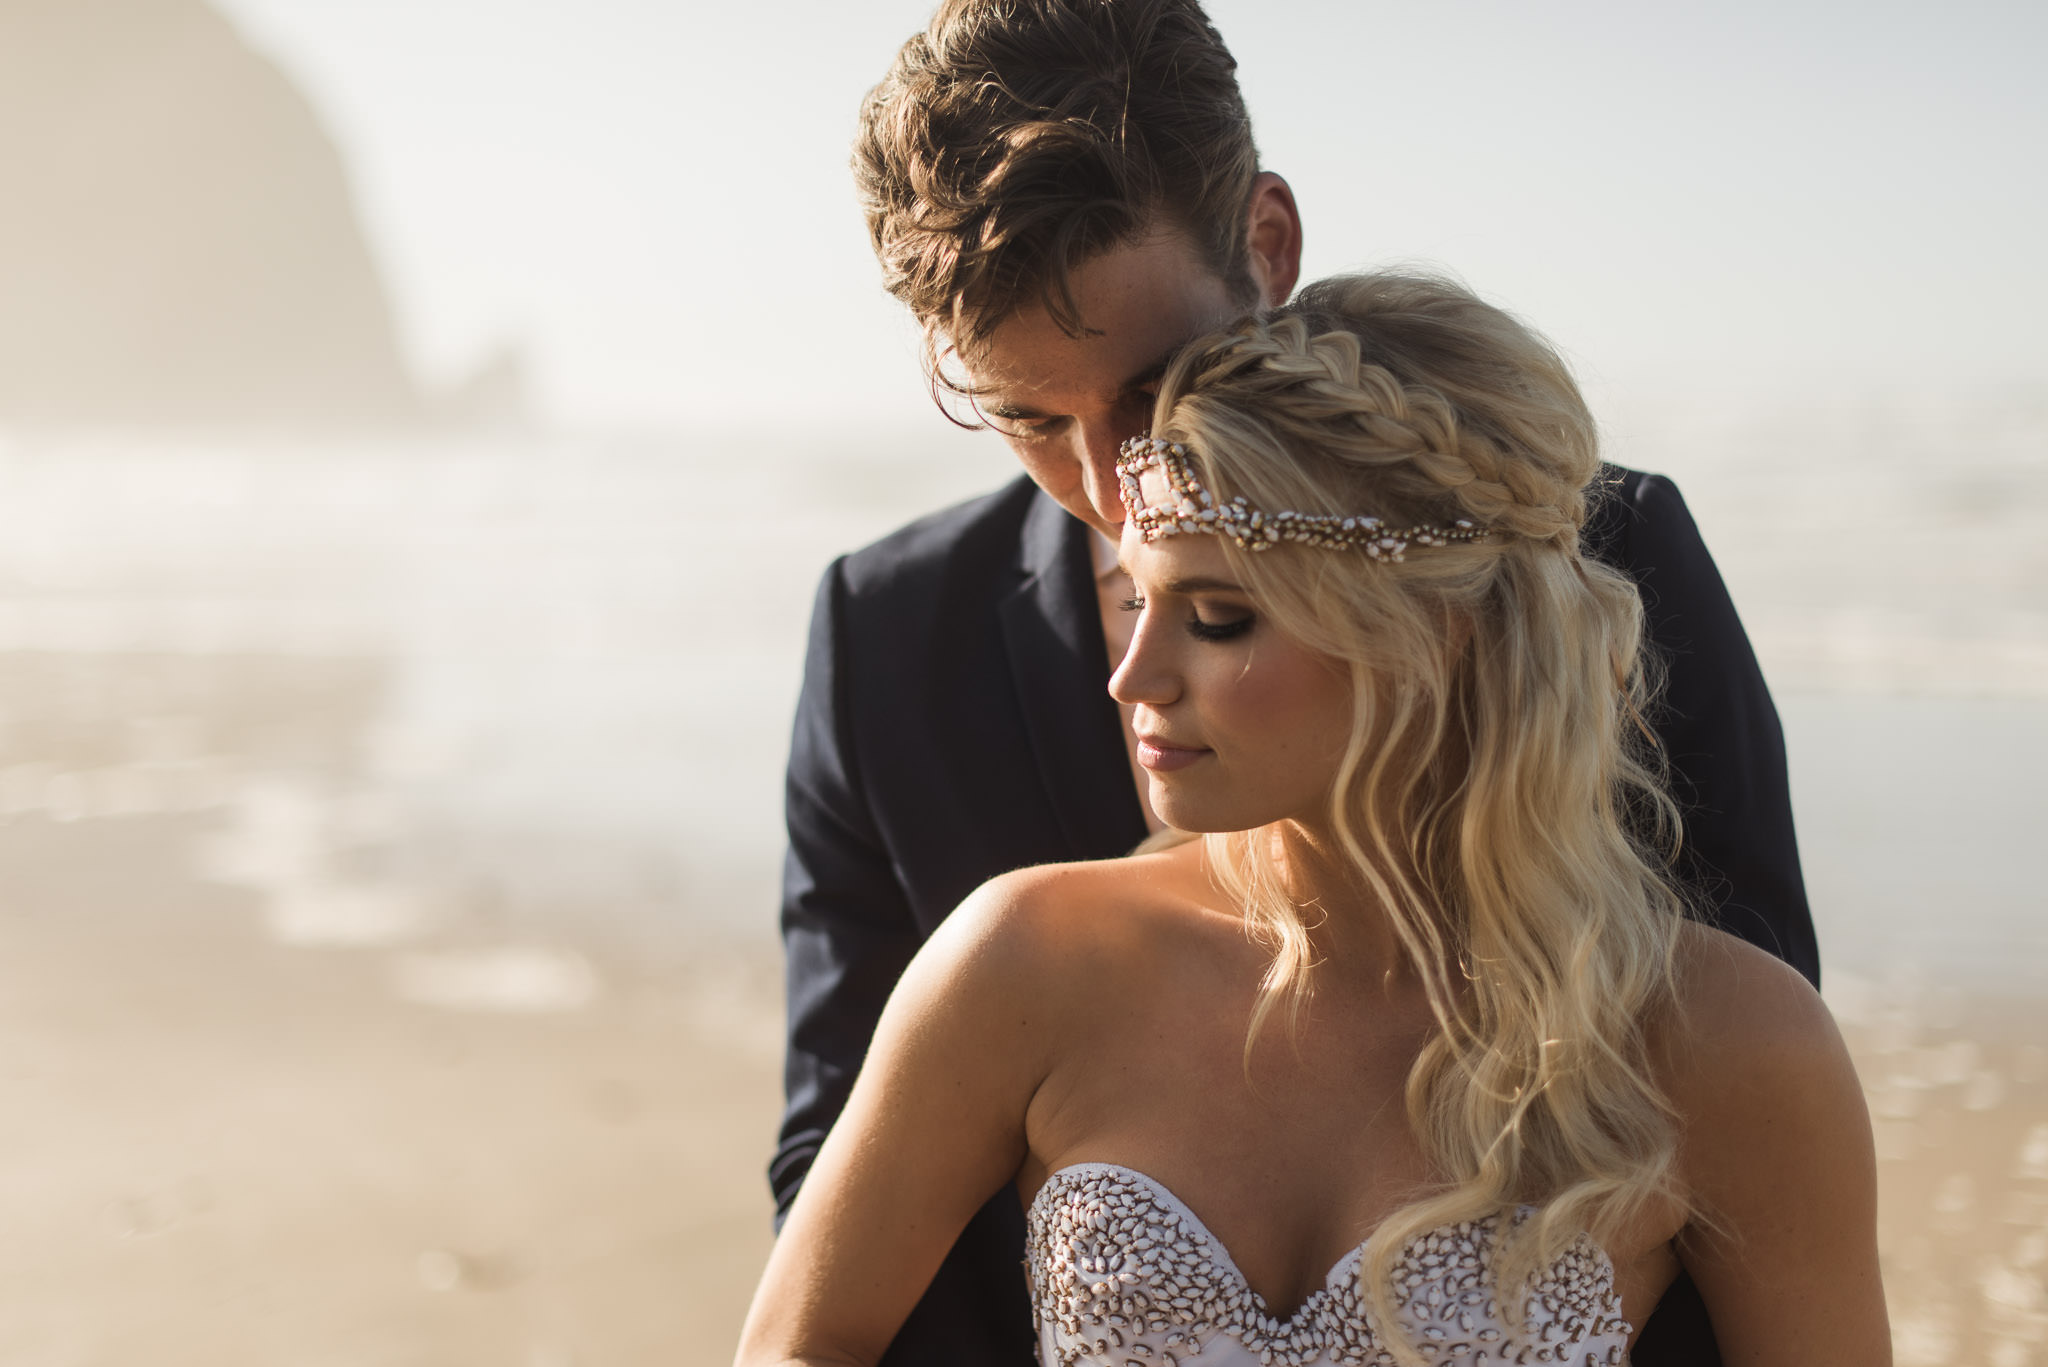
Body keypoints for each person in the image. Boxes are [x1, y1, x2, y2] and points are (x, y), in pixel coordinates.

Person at [775, 3, 1817, 1362]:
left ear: (1267, 246)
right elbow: (832, 1176)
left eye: (1151, 386)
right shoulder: (891, 639)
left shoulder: (1572, 560)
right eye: (1031, 418)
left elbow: (1749, 1125)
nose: (1106, 482)